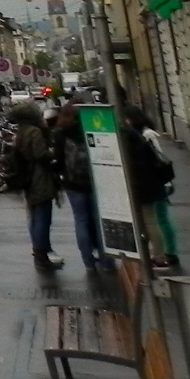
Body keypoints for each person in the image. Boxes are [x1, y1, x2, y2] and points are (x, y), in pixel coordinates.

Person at [55, 106, 114, 271]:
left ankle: (88, 261)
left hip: (73, 184)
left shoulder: (60, 133)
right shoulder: (91, 128)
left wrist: (62, 177)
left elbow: (58, 161)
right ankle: (107, 260)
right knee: (99, 220)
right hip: (96, 182)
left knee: (81, 220)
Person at [9, 99, 64, 272]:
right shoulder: (34, 131)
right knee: (43, 218)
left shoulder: (21, 132)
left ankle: (39, 253)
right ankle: (42, 256)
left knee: (34, 217)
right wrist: (53, 152)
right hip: (40, 179)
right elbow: (40, 154)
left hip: (28, 179)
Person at [124, 105, 180, 269]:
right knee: (155, 221)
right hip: (154, 184)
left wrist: (166, 183)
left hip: (155, 184)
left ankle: (168, 254)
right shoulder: (138, 137)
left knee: (159, 220)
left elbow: (159, 158)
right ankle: (162, 254)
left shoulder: (146, 136)